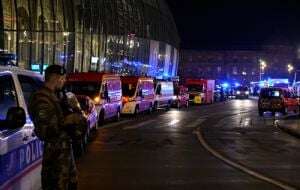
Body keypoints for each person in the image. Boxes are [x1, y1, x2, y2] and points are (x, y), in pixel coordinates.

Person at [29, 65, 85, 190]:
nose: (64, 81)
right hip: (55, 159)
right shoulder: (42, 98)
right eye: (63, 78)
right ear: (56, 78)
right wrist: (66, 121)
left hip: (65, 156)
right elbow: (45, 131)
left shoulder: (57, 96)